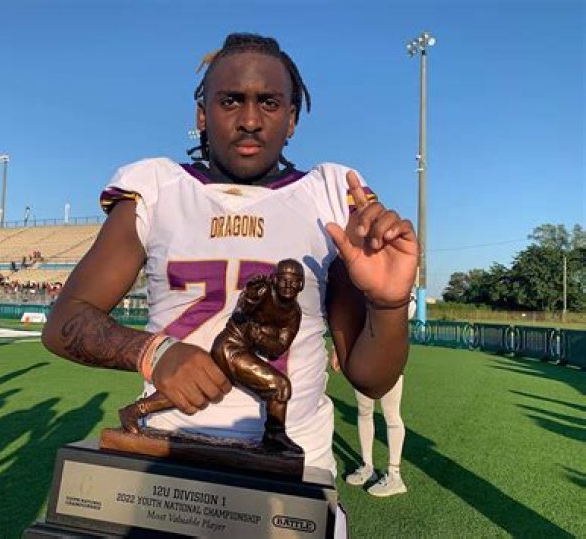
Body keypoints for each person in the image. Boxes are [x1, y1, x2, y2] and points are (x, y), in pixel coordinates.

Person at [42, 33, 417, 536]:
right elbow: (65, 320)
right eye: (231, 101)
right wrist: (154, 353)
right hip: (167, 463)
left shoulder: (327, 195)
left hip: (293, 480)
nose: (250, 119)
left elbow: (370, 377)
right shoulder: (156, 188)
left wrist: (388, 303)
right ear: (202, 114)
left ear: (292, 119)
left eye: (269, 102)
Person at [119, 259, 305, 453]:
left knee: (197, 384)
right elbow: (241, 313)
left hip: (241, 349)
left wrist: (258, 336)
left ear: (301, 284)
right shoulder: (262, 292)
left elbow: (278, 348)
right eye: (284, 280)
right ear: (274, 279)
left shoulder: (293, 313)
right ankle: (274, 435)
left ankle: (134, 411)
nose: (289, 285)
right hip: (231, 346)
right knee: (279, 386)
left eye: (295, 281)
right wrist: (250, 297)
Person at [332, 351, 407, 497]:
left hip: (389, 355)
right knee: (364, 411)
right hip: (362, 358)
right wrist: (337, 349)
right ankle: (367, 467)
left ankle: (395, 476)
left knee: (391, 414)